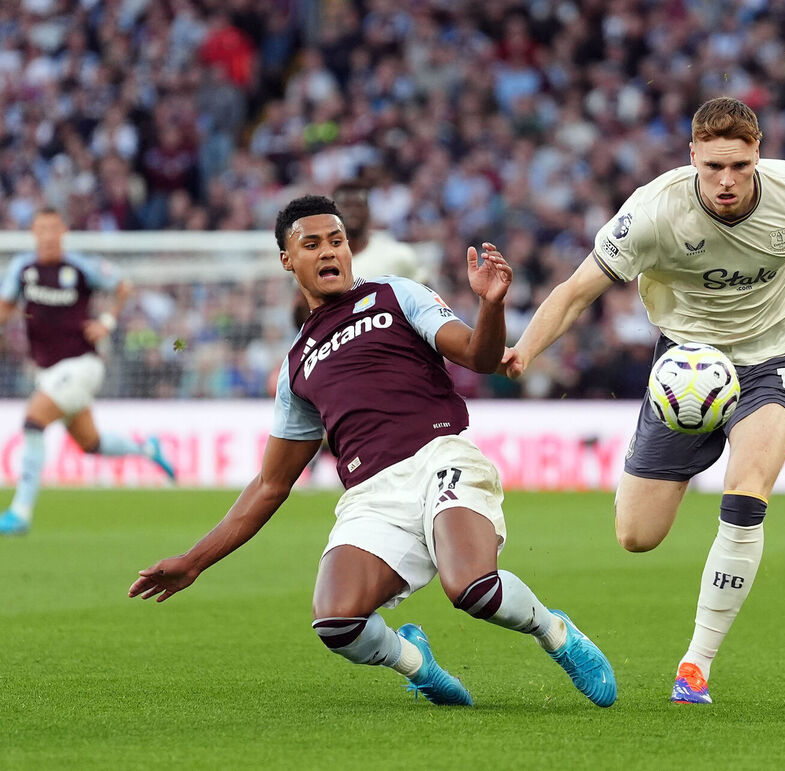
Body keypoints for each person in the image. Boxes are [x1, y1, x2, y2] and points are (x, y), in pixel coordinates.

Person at [129, 195, 616, 708]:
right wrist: (194, 561)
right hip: (372, 494)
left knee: (472, 589)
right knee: (336, 623)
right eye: (311, 244)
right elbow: (271, 484)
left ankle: (556, 634)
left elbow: (479, 355)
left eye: (336, 241)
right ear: (287, 260)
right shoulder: (296, 366)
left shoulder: (394, 295)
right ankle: (415, 661)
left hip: (439, 457)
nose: (328, 252)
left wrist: (490, 305)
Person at [500, 97, 785, 704]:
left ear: (758, 153)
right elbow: (577, 291)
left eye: (738, 165)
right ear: (692, 159)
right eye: (713, 167)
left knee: (746, 496)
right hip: (684, 369)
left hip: (774, 360)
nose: (726, 180)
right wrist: (524, 350)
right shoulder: (653, 213)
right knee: (636, 535)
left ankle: (695, 665)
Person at [0, 207, 175, 536]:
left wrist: (107, 321)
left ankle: (20, 511)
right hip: (47, 371)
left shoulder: (80, 267)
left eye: (54, 228)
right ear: (33, 233)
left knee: (34, 421)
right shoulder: (21, 268)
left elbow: (123, 285)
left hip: (82, 365)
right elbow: (6, 307)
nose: (49, 235)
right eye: (42, 229)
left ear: (63, 231)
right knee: (91, 443)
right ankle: (149, 449)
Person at [291, 178, 431, 328]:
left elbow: (428, 302)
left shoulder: (397, 254)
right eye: (346, 205)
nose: (353, 211)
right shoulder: (316, 261)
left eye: (358, 205)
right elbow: (302, 319)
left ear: (369, 210)